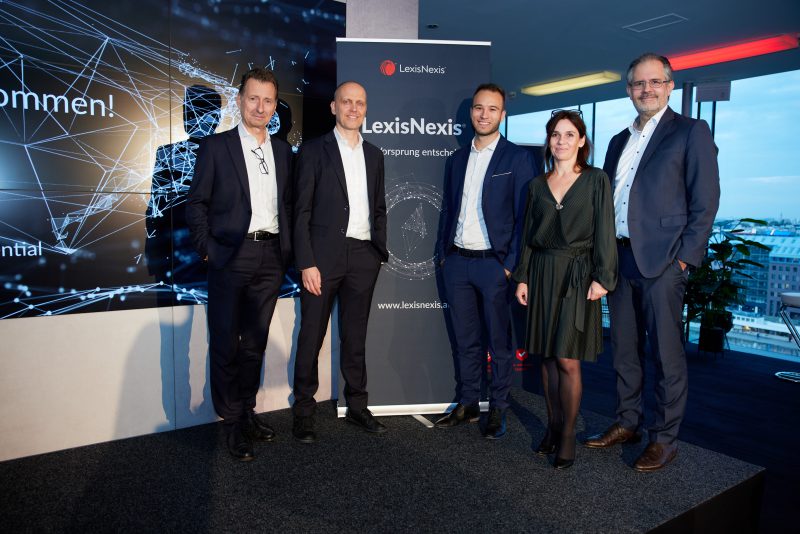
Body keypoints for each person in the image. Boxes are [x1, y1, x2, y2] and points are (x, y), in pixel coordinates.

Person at [584, 53, 720, 471]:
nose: (647, 89)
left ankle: (664, 439)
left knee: (666, 355)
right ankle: (628, 422)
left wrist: (684, 261)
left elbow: (706, 202)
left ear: (669, 86)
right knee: (624, 351)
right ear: (629, 90)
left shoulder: (691, 132)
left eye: (655, 82)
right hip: (619, 260)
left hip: (663, 264)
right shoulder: (617, 140)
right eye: (639, 83)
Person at [186, 68, 294, 461]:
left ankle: (246, 411)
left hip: (271, 257)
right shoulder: (217, 147)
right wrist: (208, 251)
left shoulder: (283, 152)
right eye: (253, 98)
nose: (260, 107)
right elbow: (196, 203)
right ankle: (231, 423)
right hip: (230, 257)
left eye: (268, 100)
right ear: (239, 101)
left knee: (254, 344)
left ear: (274, 106)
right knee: (226, 344)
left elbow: (289, 206)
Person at [513, 110, 617, 469]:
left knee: (568, 358)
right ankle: (553, 425)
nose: (561, 141)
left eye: (569, 134)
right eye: (556, 134)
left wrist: (603, 277)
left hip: (578, 274)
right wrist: (523, 277)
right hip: (542, 272)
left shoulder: (596, 180)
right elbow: (528, 236)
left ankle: (569, 434)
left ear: (582, 140)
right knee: (546, 356)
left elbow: (605, 230)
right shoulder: (536, 185)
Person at [434, 83, 534, 439]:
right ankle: (468, 402)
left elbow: (526, 217)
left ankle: (499, 407)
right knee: (465, 339)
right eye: (479, 107)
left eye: (492, 109)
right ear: (471, 112)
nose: (484, 114)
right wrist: (444, 256)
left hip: (495, 265)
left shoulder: (518, 159)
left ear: (502, 115)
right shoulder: (457, 159)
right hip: (457, 262)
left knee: (499, 343)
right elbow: (449, 209)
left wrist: (509, 265)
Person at [291, 81, 388, 443]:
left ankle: (358, 405)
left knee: (355, 336)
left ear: (366, 109)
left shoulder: (375, 155)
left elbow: (379, 208)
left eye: (359, 103)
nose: (353, 108)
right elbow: (300, 211)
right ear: (334, 107)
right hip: (322, 259)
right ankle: (304, 411)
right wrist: (306, 262)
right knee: (311, 336)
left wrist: (378, 252)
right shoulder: (313, 151)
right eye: (346, 102)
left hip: (364, 257)